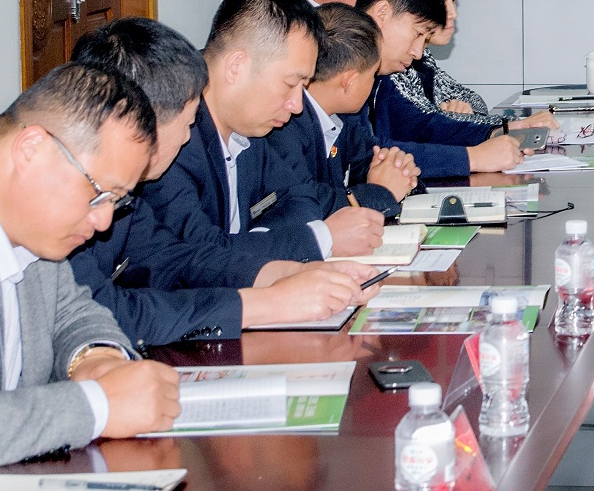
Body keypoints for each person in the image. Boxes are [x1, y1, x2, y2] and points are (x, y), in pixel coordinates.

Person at [0, 62, 180, 486]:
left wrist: (96, 360)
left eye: (117, 201)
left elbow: (72, 312)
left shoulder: (29, 222)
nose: (104, 221)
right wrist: (96, 407)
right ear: (31, 150)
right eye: (99, 194)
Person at [68, 18, 378, 349]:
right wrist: (267, 303)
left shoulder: (125, 191)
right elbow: (105, 310)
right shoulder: (67, 201)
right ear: (140, 122)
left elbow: (174, 260)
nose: (187, 137)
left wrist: (283, 274)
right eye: (187, 123)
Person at [132, 0, 385, 293]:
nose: (297, 105)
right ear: (237, 67)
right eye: (290, 84)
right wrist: (321, 238)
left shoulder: (251, 126)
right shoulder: (171, 136)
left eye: (303, 87)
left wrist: (252, 242)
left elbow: (301, 199)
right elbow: (199, 257)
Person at [356, 0, 532, 177]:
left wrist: (493, 132)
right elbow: (369, 156)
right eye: (418, 34)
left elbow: (423, 126)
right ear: (382, 12)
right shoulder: (344, 69)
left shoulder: (379, 73)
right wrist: (472, 158)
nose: (418, 53)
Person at [265, 4, 421, 221]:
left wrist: (398, 170)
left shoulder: (342, 118)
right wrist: (381, 192)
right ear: (349, 81)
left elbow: (367, 163)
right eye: (373, 75)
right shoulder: (283, 125)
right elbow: (306, 203)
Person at [384, 0, 496, 125]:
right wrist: (458, 117)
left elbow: (474, 101)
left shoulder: (423, 57)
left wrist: (464, 111)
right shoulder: (393, 63)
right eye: (442, 1)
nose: (453, 13)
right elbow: (425, 127)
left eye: (453, 0)